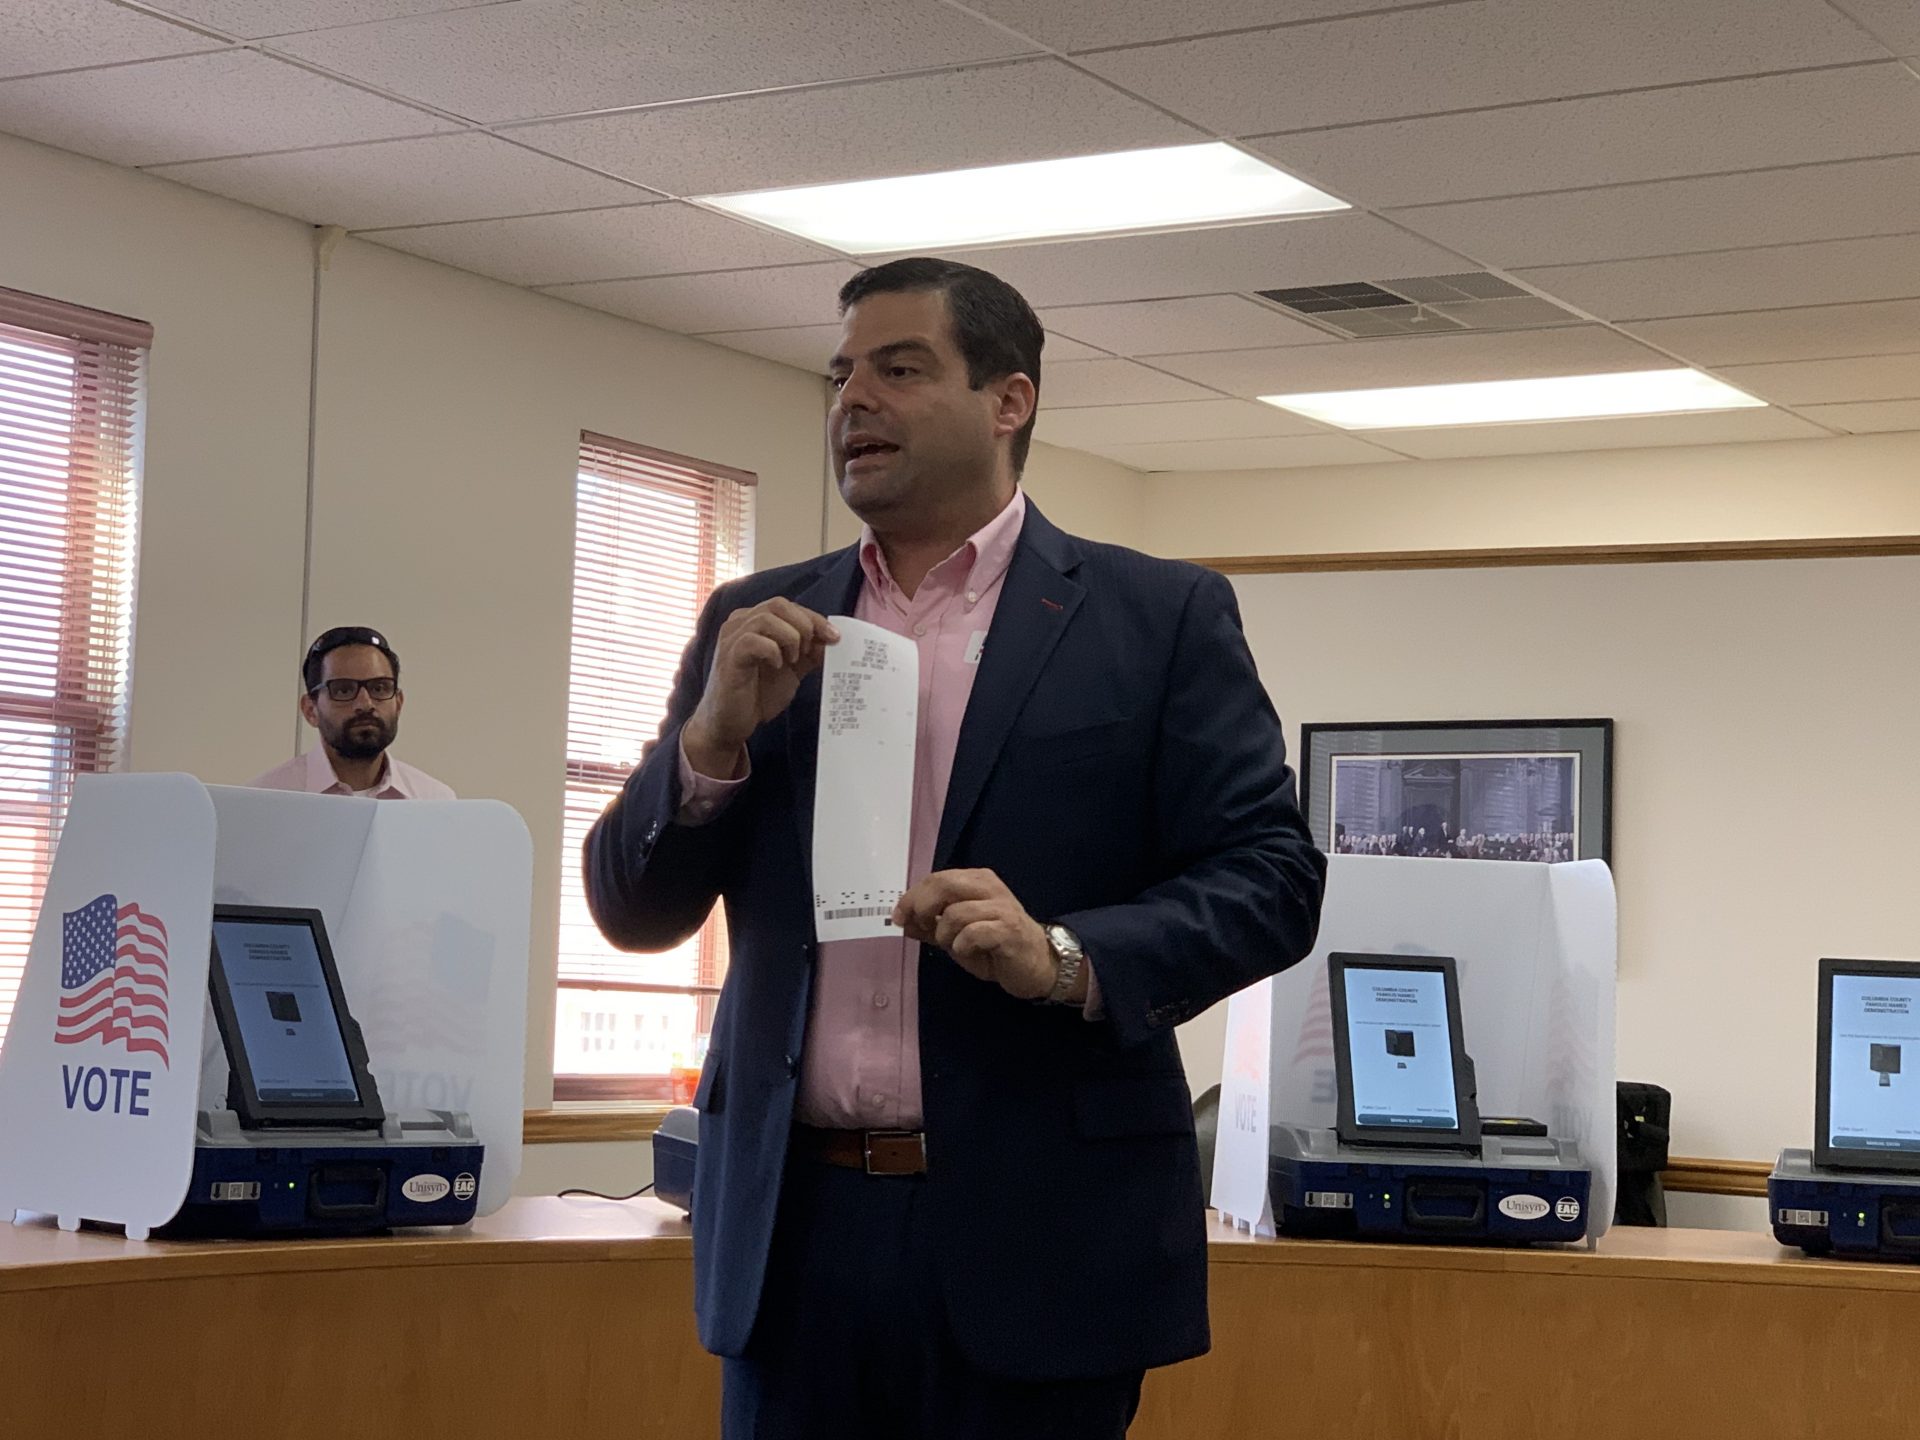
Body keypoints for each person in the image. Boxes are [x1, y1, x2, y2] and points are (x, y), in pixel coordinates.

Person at [585, 257, 1326, 1440]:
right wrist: (712, 740)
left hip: (1041, 1240)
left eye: (899, 368)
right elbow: (631, 909)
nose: (851, 401)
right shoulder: (756, 623)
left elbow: (1273, 881)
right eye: (840, 375)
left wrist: (1066, 955)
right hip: (792, 1234)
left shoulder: (1156, 617)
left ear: (1009, 401)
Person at [249, 625, 453, 799]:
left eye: (379, 688)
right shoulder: (266, 800)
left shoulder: (433, 800)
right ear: (310, 710)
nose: (365, 703)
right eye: (344, 690)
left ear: (398, 703)